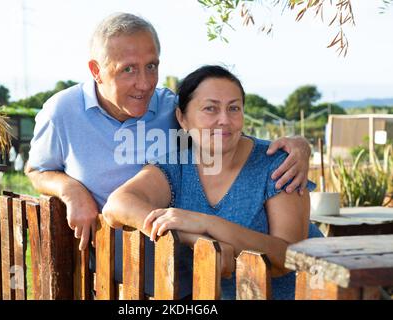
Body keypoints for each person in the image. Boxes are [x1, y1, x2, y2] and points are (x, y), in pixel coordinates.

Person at [25, 13, 313, 297]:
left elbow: (220, 131)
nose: (144, 82)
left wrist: (298, 145)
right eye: (128, 69)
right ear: (96, 70)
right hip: (126, 272)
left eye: (151, 66)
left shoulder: (170, 107)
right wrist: (72, 190)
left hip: (190, 279)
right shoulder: (61, 112)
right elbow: (37, 170)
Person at [102, 65, 323, 300]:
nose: (224, 120)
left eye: (234, 108)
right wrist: (190, 236)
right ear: (182, 118)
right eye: (210, 108)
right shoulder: (175, 166)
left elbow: (290, 257)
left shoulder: (278, 164)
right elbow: (117, 205)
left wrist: (206, 223)